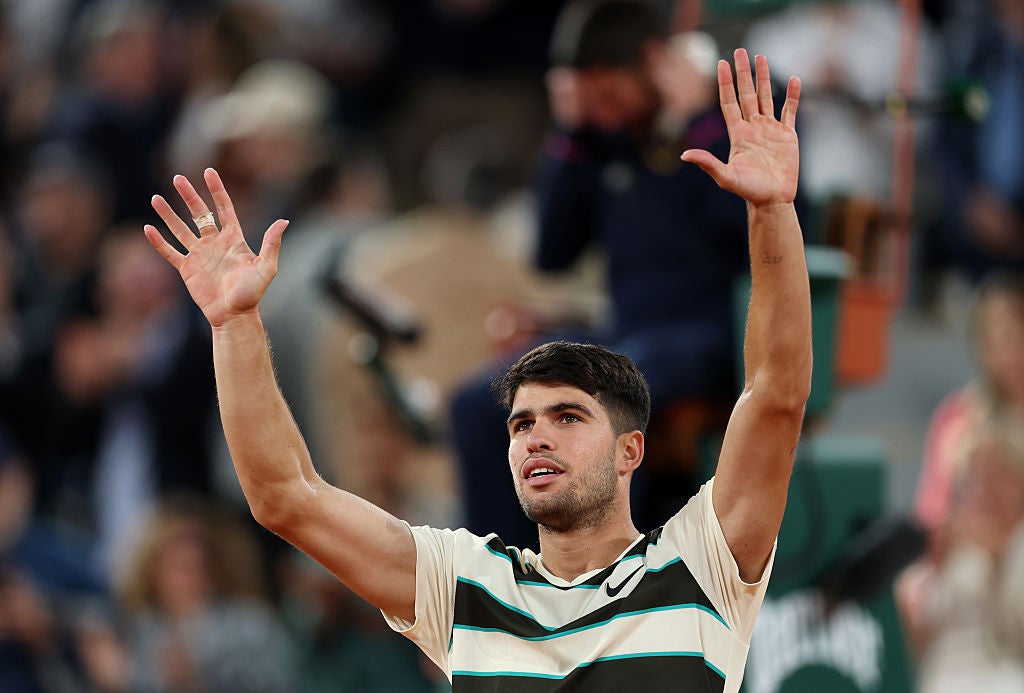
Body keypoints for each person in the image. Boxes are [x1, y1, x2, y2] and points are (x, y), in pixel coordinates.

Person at [142, 49, 810, 692]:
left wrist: (772, 213)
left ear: (631, 447)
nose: (535, 437)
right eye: (521, 423)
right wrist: (233, 324)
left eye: (568, 416)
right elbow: (284, 495)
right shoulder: (467, 589)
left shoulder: (699, 568)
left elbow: (776, 394)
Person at [452, 0, 755, 545]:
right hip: (627, 337)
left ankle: (601, 582)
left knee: (604, 396)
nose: (606, 115)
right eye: (593, 104)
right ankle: (505, 586)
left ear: (653, 63)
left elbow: (753, 239)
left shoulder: (722, 118)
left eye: (611, 97)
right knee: (484, 402)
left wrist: (699, 128)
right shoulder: (603, 142)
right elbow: (552, 252)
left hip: (712, 335)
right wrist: (569, 134)